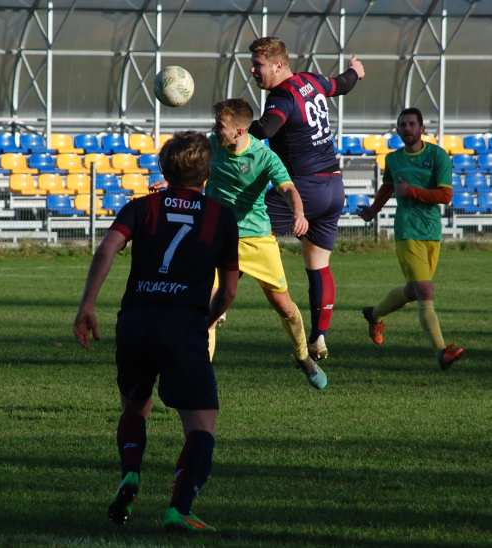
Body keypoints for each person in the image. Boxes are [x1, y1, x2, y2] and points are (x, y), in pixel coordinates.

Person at [73, 131, 239, 533]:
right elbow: (230, 288)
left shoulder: (141, 207)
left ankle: (131, 473)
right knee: (201, 426)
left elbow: (107, 248)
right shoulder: (221, 215)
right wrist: (209, 317)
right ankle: (178, 509)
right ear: (207, 172)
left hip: (136, 322)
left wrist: (88, 305)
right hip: (184, 325)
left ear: (163, 168)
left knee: (135, 406)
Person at [248, 36, 365, 361]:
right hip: (332, 188)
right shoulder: (311, 80)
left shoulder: (281, 96)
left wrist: (237, 130)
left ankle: (219, 302)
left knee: (240, 231)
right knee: (318, 264)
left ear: (278, 65)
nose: (253, 71)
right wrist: (355, 70)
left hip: (303, 188)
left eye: (258, 65)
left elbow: (267, 129)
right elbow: (342, 84)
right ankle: (319, 338)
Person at [206, 98, 327, 390]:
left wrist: (298, 213)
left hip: (256, 238)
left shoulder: (264, 157)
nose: (214, 129)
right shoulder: (211, 145)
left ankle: (302, 357)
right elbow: (195, 172)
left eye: (220, 126)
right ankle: (200, 371)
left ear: (239, 131)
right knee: (204, 307)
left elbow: (288, 188)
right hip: (216, 237)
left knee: (284, 307)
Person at [358, 107, 464, 369]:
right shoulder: (393, 160)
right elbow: (388, 187)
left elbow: (445, 196)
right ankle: (442, 352)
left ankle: (373, 314)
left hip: (431, 233)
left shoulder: (438, 156)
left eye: (411, 124)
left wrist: (413, 192)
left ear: (421, 129)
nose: (407, 128)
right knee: (425, 290)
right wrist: (372, 210)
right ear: (398, 129)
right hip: (407, 232)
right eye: (402, 125)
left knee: (413, 291)